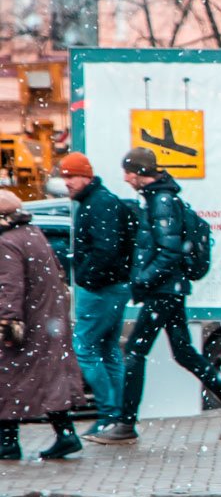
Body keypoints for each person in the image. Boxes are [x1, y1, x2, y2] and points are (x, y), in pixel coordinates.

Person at [88, 148, 221, 445]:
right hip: (169, 290)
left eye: (129, 172)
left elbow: (168, 251)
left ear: (141, 172)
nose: (126, 178)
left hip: (163, 291)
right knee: (183, 353)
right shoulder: (160, 198)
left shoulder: (162, 201)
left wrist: (143, 278)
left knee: (135, 353)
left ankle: (126, 424)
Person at [0, 190, 86, 459]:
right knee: (48, 379)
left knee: (7, 378)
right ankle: (66, 434)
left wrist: (8, 323)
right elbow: (57, 274)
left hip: (26, 322)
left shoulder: (7, 242)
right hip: (46, 319)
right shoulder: (33, 234)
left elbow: (9, 287)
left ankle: (8, 442)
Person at [60, 152, 133, 436]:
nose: (66, 182)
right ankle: (117, 413)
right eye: (64, 176)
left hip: (101, 290)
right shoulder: (102, 201)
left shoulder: (96, 204)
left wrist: (87, 278)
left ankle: (108, 413)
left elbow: (106, 249)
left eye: (71, 176)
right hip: (113, 287)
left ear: (86, 176)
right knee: (108, 350)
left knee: (86, 349)